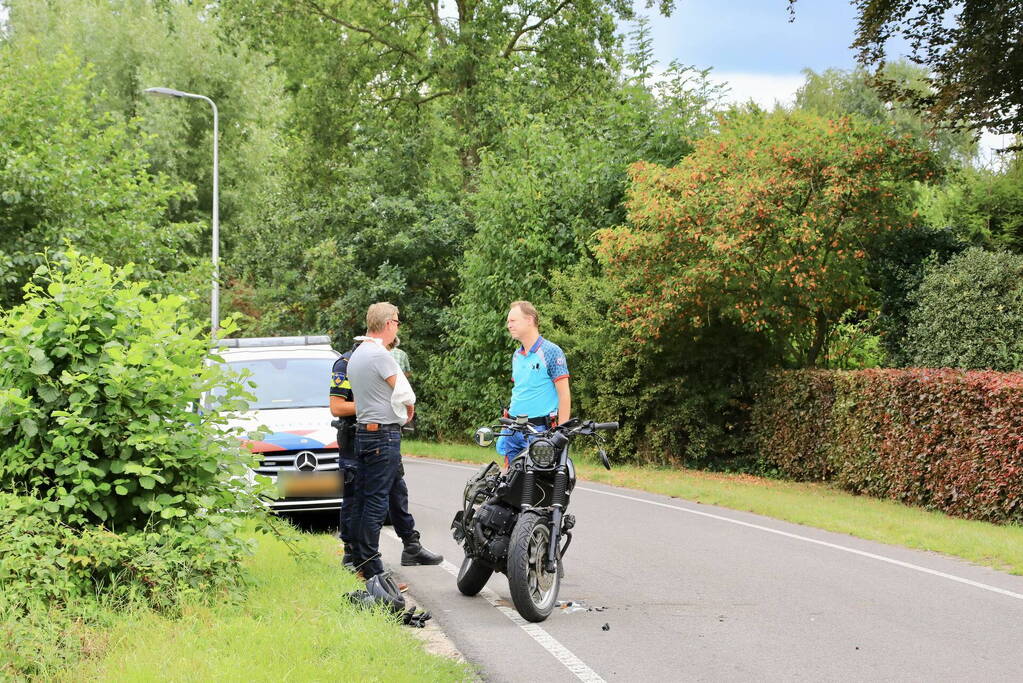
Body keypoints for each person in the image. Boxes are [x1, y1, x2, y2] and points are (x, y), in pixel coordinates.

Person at [345, 302, 442, 579]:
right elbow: (405, 392)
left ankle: (368, 560)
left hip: (364, 432)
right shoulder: (380, 355)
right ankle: (372, 569)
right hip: (384, 435)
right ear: (388, 324)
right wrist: (408, 411)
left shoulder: (358, 354)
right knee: (376, 503)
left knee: (368, 497)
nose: (397, 327)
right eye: (397, 322)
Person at [496, 300, 571, 467]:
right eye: (508, 322)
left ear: (529, 320)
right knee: (509, 482)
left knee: (538, 483)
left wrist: (562, 432)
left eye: (513, 321)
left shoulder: (551, 352)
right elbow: (522, 390)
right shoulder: (517, 355)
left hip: (539, 432)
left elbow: (564, 394)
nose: (509, 325)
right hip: (513, 428)